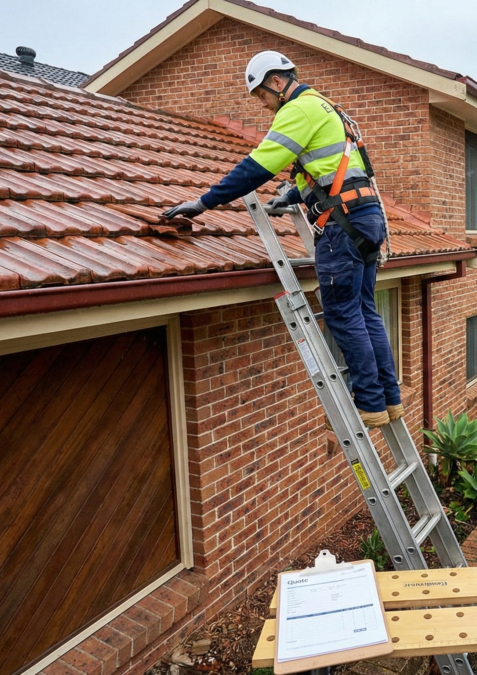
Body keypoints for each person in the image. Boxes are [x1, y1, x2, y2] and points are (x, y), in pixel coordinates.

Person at [162, 51, 401, 428]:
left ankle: (368, 404)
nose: (264, 105)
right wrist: (293, 194)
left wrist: (204, 202)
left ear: (276, 81)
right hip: (366, 218)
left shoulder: (297, 110)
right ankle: (389, 401)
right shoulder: (325, 107)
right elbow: (326, 166)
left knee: (342, 314)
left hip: (342, 225)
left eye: (261, 96)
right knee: (365, 311)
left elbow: (258, 165)